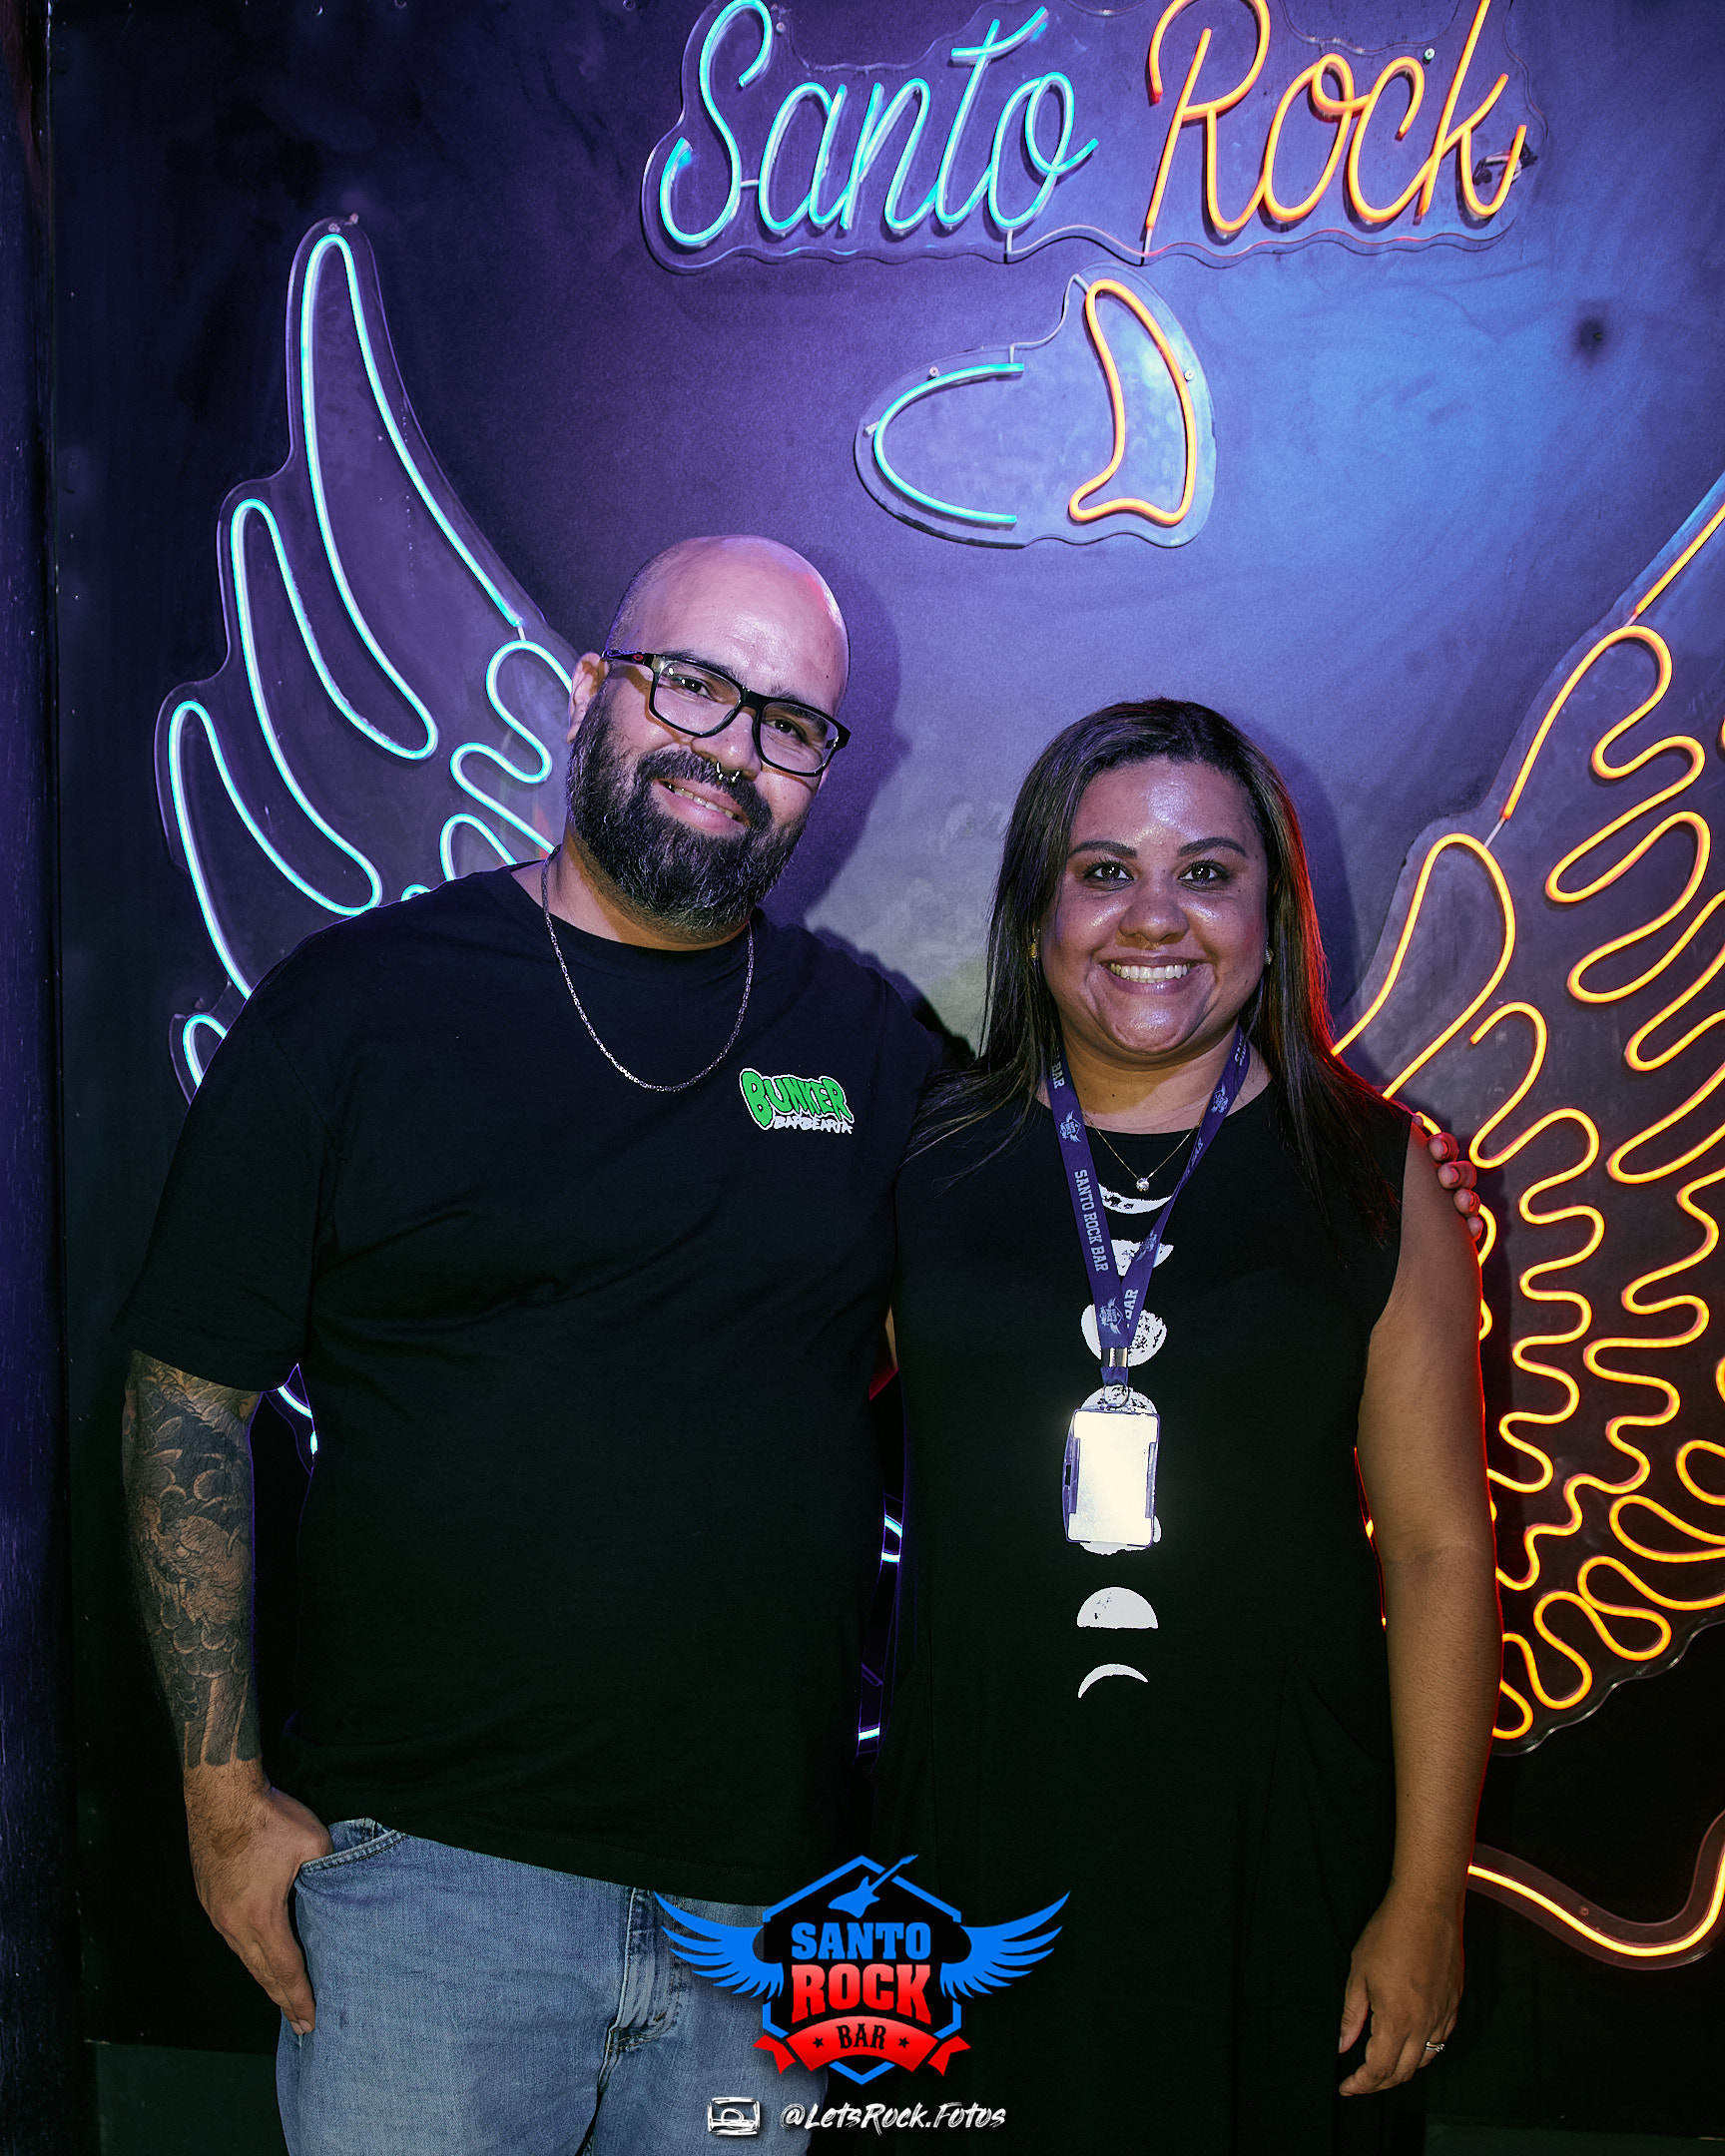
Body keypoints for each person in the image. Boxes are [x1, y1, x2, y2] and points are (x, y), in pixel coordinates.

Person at [119, 544, 1481, 2155]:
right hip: (436, 1887)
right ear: (592, 693)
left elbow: (1123, 1227)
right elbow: (185, 1391)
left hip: (774, 1909)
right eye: (693, 686)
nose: (730, 745)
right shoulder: (360, 1008)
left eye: (786, 721)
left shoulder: (870, 1052)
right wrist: (219, 1795)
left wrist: (1385, 1193)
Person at [875, 702, 1500, 2154]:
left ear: (1273, 919)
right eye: (1104, 872)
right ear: (1035, 912)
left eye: (1207, 873)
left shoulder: (1374, 1180)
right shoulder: (923, 1161)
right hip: (968, 1855)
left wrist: (1425, 1899)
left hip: (1276, 1861)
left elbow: (1438, 1554)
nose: (1154, 917)